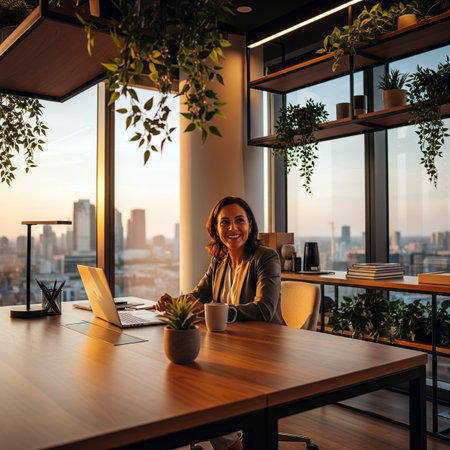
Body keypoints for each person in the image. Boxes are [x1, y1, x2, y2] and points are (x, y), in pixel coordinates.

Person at [156, 196, 283, 450]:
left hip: (262, 349)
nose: (232, 228)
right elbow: (198, 294)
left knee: (202, 390)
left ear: (250, 225)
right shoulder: (220, 259)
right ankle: (230, 440)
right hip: (230, 346)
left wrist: (217, 311)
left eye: (239, 221)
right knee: (185, 380)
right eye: (224, 222)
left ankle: (232, 444)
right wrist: (178, 303)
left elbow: (265, 309)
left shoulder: (265, 258)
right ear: (216, 228)